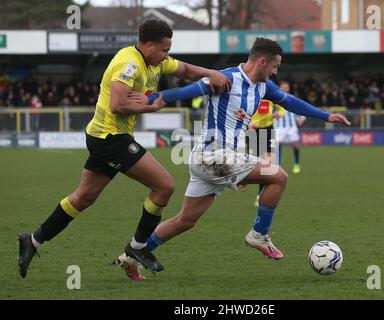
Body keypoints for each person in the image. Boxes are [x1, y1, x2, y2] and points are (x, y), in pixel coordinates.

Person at [16, 19, 230, 279]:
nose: (167, 55)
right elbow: (117, 104)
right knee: (164, 186)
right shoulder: (128, 64)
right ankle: (138, 248)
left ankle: (33, 240)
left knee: (83, 198)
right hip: (111, 139)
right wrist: (150, 107)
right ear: (148, 45)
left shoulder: (155, 60)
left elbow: (184, 68)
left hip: (103, 137)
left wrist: (212, 73)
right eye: (163, 50)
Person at [124, 37, 350, 278]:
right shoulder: (226, 78)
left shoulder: (263, 87)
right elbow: (185, 91)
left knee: (186, 220)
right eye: (275, 67)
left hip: (214, 161)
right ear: (262, 62)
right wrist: (148, 98)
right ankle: (259, 235)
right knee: (278, 176)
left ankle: (132, 254)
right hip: (211, 157)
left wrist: (325, 116)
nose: (275, 72)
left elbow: (291, 102)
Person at [248, 95, 285, 207]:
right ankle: (241, 182)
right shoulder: (250, 95)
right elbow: (240, 111)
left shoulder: (270, 95)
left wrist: (279, 114)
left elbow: (282, 108)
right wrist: (248, 122)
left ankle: (260, 195)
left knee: (267, 165)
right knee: (256, 164)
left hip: (268, 130)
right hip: (253, 131)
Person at [275, 81, 305, 174]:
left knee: (295, 145)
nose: (285, 88)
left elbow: (301, 109)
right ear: (280, 88)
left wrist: (301, 118)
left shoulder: (292, 98)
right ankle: (278, 166)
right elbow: (269, 111)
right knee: (278, 145)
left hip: (292, 127)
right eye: (283, 87)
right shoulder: (275, 98)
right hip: (279, 126)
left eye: (286, 87)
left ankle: (296, 164)